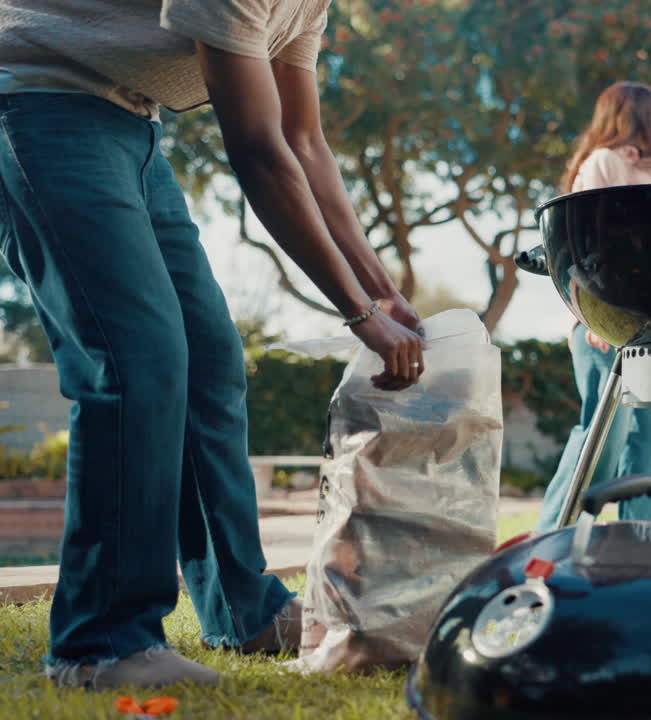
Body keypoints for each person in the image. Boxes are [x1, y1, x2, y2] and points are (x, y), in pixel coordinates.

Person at [0, 0, 426, 688]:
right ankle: (101, 644)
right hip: (37, 104)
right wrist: (356, 311)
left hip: (130, 121)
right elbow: (258, 149)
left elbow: (304, 141)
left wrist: (381, 290)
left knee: (208, 365)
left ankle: (243, 609)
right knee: (138, 362)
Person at [534, 81, 651, 533]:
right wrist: (595, 311)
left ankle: (638, 544)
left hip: (650, 330)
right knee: (603, 436)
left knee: (649, 439)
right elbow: (585, 244)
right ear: (634, 114)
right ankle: (550, 536)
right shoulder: (602, 163)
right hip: (604, 324)